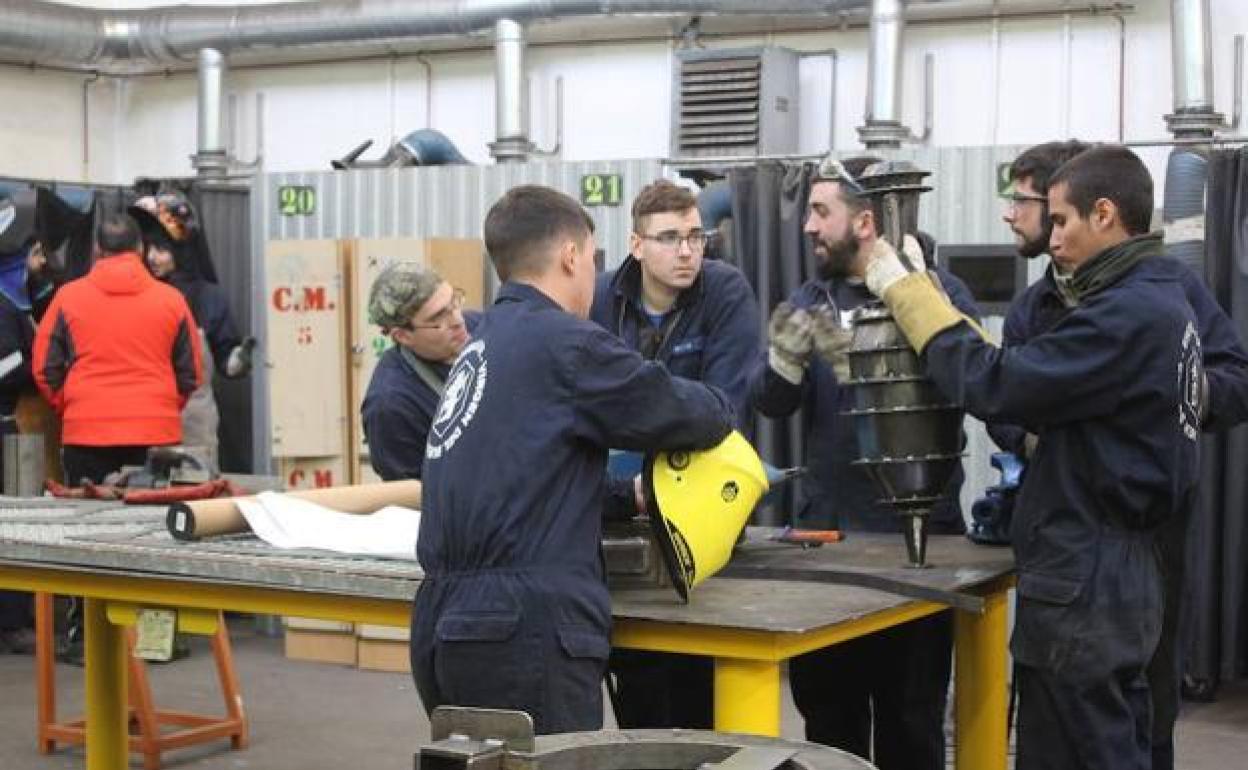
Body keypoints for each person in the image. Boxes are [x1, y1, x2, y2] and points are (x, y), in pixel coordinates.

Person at [864, 144, 1202, 770]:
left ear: (1105, 215)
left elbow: (994, 383)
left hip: (1089, 578)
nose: (1052, 236)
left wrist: (908, 295)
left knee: (1072, 750)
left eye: (1062, 220)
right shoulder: (1163, 300)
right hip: (1123, 573)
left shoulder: (1124, 315)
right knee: (1115, 743)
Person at [409, 185, 734, 734]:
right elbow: (683, 412)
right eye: (591, 258)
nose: (593, 276)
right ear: (569, 256)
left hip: (446, 620)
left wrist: (622, 495)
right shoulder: (568, 344)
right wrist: (722, 404)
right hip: (520, 631)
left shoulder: (480, 351)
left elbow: (522, 468)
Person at [992, 140, 1248, 770]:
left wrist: (1160, 391)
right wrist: (1045, 435)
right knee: (1059, 716)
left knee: (1141, 712)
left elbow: (1236, 378)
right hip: (1064, 532)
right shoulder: (1036, 305)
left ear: (1096, 212)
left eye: (1037, 207)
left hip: (1145, 539)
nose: (1018, 219)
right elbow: (1006, 400)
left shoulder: (1165, 290)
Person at [748, 156, 981, 770]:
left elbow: (972, 385)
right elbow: (772, 404)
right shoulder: (810, 299)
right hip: (829, 544)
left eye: (821, 212)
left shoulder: (938, 293)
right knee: (828, 726)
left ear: (864, 221)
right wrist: (781, 363)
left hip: (919, 549)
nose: (807, 227)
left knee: (912, 723)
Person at [591, 179, 761, 730]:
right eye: (669, 238)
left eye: (695, 236)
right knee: (637, 688)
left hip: (700, 516)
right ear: (637, 244)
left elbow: (722, 411)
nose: (687, 251)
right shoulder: (600, 299)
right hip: (614, 513)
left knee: (696, 692)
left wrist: (631, 404)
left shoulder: (725, 291)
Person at [33, 211, 202, 485]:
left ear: (98, 250)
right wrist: (164, 406)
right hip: (156, 433)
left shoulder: (67, 298)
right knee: (154, 522)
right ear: (140, 248)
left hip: (87, 431)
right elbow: (191, 373)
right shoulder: (172, 301)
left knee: (85, 522)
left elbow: (44, 368)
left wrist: (72, 405)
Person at [129, 193, 253, 469]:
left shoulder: (209, 298)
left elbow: (225, 360)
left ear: (181, 249)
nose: (152, 258)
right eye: (148, 248)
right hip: (145, 421)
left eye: (161, 249)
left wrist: (239, 359)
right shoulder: (138, 295)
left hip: (195, 423)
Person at [361, 263, 480, 480]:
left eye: (454, 302)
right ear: (403, 336)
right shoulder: (390, 406)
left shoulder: (479, 327)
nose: (457, 320)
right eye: (438, 318)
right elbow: (410, 499)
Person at [0, 191, 40, 654]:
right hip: (5, 429)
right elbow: (17, 367)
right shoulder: (7, 310)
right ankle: (12, 621)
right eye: (34, 254)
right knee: (12, 524)